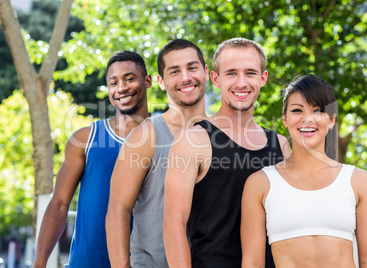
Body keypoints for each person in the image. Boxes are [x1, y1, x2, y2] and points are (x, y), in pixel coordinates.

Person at [163, 37, 291, 268]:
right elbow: (174, 224)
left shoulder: (280, 145)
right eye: (231, 73)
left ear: (263, 78)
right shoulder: (193, 140)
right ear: (216, 79)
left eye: (250, 73)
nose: (241, 82)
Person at [241, 74, 367, 267]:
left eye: (318, 110)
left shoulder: (358, 180)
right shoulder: (260, 183)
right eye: (297, 110)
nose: (307, 119)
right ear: (284, 119)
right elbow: (253, 263)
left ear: (332, 119)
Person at [33, 50, 151, 268]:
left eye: (129, 79)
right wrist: (39, 263)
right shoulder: (86, 139)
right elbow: (59, 204)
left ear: (148, 81)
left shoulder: (164, 138)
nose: (121, 88)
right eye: (113, 82)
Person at [105, 39, 209, 267]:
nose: (185, 77)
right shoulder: (147, 135)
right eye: (175, 71)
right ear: (161, 81)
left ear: (207, 72)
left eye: (192, 68)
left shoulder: (221, 138)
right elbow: (118, 210)